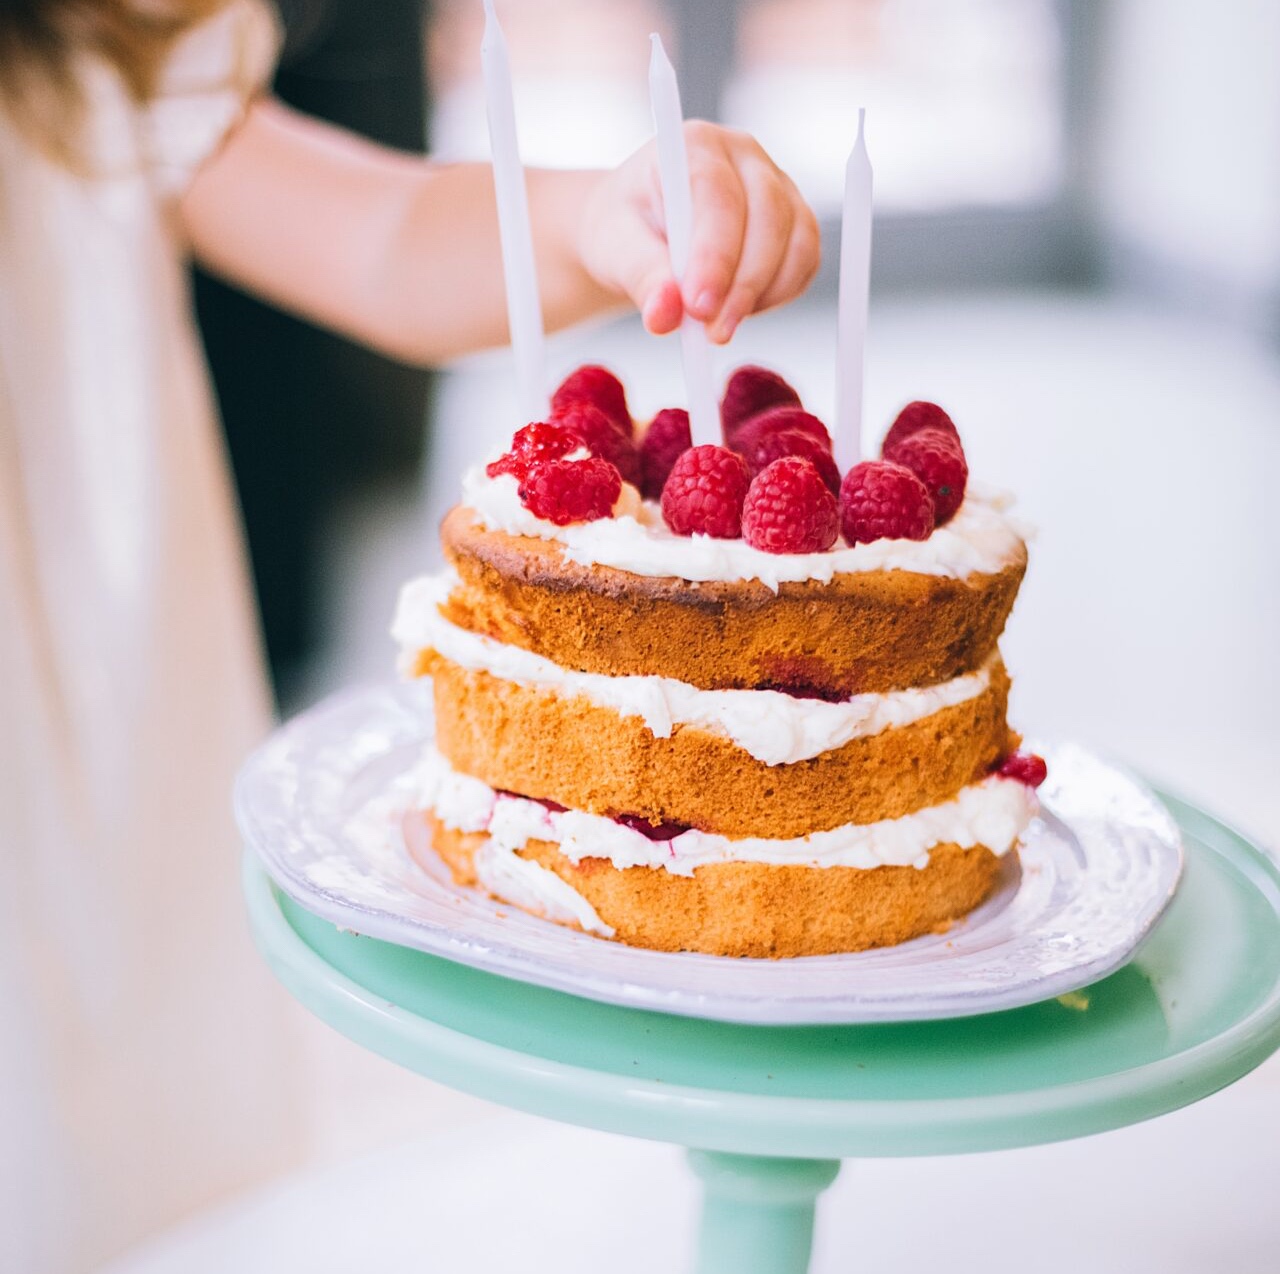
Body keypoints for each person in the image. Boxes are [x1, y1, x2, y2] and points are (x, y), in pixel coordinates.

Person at [0, 2, 819, 1272]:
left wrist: (603, 217)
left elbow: (382, 241)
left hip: (105, 782)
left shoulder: (84, 65)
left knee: (132, 1160)